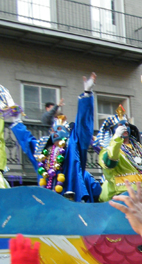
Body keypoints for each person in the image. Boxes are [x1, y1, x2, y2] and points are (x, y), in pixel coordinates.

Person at [11, 73, 102, 202]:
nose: (55, 132)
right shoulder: (43, 148)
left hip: (69, 202)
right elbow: (28, 142)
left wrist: (86, 94)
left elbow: (83, 127)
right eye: (53, 129)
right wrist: (16, 122)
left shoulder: (72, 146)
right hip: (47, 203)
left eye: (59, 128)